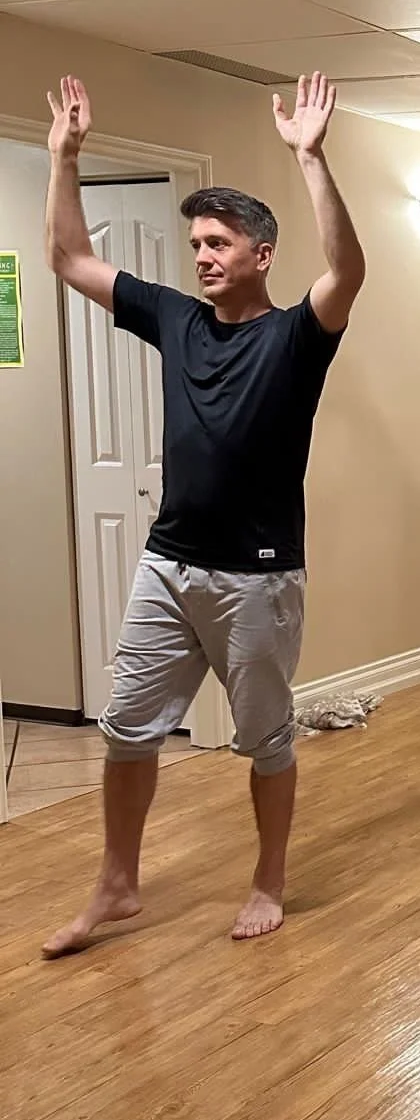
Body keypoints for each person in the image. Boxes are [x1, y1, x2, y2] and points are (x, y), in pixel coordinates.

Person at [40, 73, 365, 957]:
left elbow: (348, 271)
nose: (202, 256)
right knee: (126, 728)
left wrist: (311, 158)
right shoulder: (177, 319)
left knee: (264, 740)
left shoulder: (295, 338)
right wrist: (64, 159)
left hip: (257, 577)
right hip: (167, 562)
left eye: (219, 243)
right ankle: (117, 883)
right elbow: (70, 259)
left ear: (262, 254)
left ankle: (269, 879)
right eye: (195, 244)